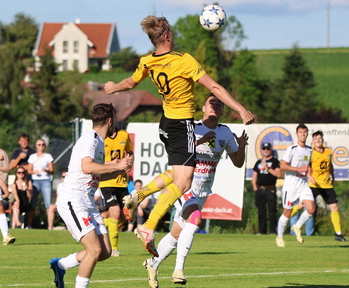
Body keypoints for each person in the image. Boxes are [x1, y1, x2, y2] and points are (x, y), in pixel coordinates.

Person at [104, 15, 254, 256]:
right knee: (184, 182)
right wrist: (241, 109)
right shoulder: (184, 61)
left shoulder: (147, 61)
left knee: (178, 172)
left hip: (164, 125)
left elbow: (131, 83)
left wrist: (112, 88)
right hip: (181, 124)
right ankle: (149, 227)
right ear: (167, 36)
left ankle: (139, 195)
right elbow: (214, 87)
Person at [140, 94, 248, 287]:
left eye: (219, 104)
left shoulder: (225, 132)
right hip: (184, 184)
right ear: (203, 108)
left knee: (176, 234)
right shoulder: (193, 129)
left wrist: (240, 147)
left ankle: (153, 264)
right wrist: (200, 141)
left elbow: (238, 163)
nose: (214, 106)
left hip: (203, 191)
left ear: (223, 111)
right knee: (195, 220)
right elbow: (178, 151)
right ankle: (178, 269)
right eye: (211, 103)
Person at [49, 103, 133, 288]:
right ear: (110, 121)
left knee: (104, 252)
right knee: (94, 250)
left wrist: (121, 169)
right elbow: (87, 167)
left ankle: (60, 265)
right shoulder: (91, 139)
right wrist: (116, 166)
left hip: (87, 202)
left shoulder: (99, 142)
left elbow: (97, 174)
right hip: (73, 200)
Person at [276, 123, 315, 248]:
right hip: (291, 186)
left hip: (303, 184)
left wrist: (309, 174)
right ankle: (280, 237)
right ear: (297, 134)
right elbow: (282, 165)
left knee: (311, 208)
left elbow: (307, 168)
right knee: (287, 213)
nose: (303, 134)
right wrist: (298, 169)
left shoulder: (309, 150)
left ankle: (297, 227)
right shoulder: (292, 149)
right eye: (301, 132)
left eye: (305, 132)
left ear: (307, 134)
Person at [99, 127, 134, 257]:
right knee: (115, 211)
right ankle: (113, 249)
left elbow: (130, 152)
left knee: (126, 215)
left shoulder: (123, 135)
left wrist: (129, 163)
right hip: (106, 181)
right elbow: (96, 162)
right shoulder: (100, 138)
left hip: (122, 182)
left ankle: (104, 224)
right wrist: (112, 164)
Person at [309, 130, 347, 241]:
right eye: (316, 139)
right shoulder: (310, 153)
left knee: (334, 207)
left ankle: (338, 234)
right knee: (304, 206)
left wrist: (333, 176)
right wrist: (310, 177)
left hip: (326, 185)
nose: (318, 140)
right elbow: (305, 167)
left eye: (319, 138)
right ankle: (286, 220)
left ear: (323, 140)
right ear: (312, 141)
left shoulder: (328, 151)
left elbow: (330, 165)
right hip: (314, 184)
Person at [251, 142, 281, 235]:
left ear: (271, 150)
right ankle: (261, 231)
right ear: (261, 150)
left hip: (270, 189)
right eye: (264, 149)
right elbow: (254, 176)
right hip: (260, 189)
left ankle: (273, 231)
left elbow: (279, 174)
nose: (266, 151)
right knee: (261, 211)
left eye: (268, 149)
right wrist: (255, 188)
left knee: (272, 211)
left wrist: (268, 168)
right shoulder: (258, 162)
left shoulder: (275, 161)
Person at [9, 133, 36, 228]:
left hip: (29, 180)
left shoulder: (33, 152)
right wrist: (19, 158)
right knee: (15, 202)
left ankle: (28, 224)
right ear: (19, 142)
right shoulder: (16, 152)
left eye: (26, 141)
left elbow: (32, 166)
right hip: (17, 183)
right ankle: (15, 224)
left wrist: (20, 167)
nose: (24, 143)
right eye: (22, 141)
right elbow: (11, 166)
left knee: (32, 203)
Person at [28, 138, 55, 229]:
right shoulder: (32, 157)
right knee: (33, 203)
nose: (41, 146)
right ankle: (29, 225)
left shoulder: (48, 156)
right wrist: (33, 172)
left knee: (48, 204)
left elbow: (52, 170)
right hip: (35, 181)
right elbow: (29, 170)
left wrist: (46, 170)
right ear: (36, 146)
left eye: (43, 144)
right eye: (39, 144)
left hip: (46, 180)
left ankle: (50, 226)